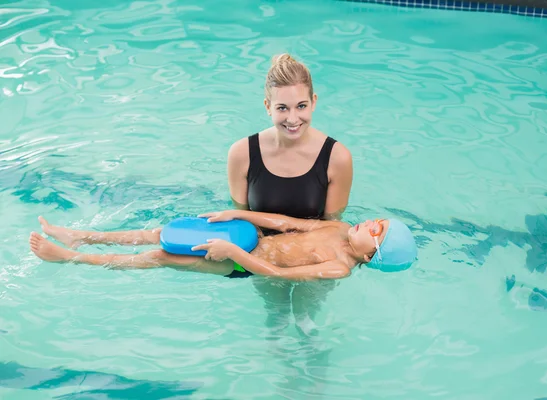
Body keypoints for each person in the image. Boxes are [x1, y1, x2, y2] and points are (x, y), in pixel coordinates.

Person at [226, 53, 354, 337]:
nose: (293, 119)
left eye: (301, 106)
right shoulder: (241, 154)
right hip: (264, 252)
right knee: (276, 320)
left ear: (315, 102)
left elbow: (332, 228)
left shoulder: (337, 158)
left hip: (315, 258)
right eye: (282, 108)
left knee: (307, 324)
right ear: (267, 107)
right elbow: (241, 219)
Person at [28, 210, 416, 280]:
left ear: (371, 255)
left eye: (377, 231)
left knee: (162, 256)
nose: (370, 223)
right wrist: (241, 215)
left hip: (239, 264)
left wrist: (235, 255)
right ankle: (82, 235)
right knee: (160, 233)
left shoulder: (337, 267)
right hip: (252, 240)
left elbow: (279, 273)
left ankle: (71, 258)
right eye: (377, 220)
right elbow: (286, 224)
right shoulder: (340, 226)